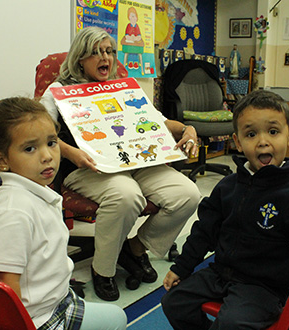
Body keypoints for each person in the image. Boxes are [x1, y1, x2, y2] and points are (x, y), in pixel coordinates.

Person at [161, 90, 289, 330]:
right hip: (219, 274)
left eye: (273, 132)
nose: (263, 141)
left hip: (263, 287)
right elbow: (204, 231)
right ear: (238, 142)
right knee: (173, 302)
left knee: (231, 324)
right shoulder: (228, 186)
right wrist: (182, 267)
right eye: (251, 134)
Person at [40, 26, 201, 301]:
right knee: (126, 195)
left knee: (187, 195)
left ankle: (135, 249)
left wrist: (188, 129)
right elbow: (40, 131)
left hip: (135, 162)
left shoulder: (122, 88)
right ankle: (103, 270)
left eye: (109, 51)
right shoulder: (59, 90)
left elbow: (157, 122)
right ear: (80, 57)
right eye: (96, 52)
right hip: (87, 166)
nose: (106, 57)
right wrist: (69, 151)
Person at [0, 97, 127, 330]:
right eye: (30, 148)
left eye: (51, 143)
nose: (46, 156)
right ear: (2, 160)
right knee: (116, 321)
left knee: (117, 317)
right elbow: (6, 286)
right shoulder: (14, 211)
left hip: (56, 302)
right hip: (35, 319)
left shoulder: (36, 193)